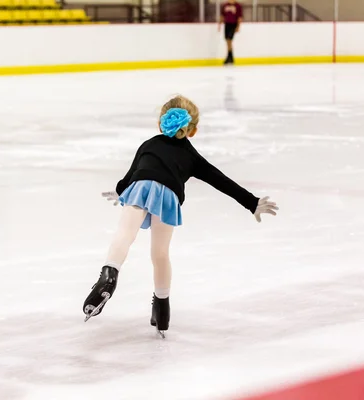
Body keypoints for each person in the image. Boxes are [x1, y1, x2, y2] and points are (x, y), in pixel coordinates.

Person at [82, 95, 278, 337]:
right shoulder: (192, 157)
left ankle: (109, 275)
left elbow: (132, 174)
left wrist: (122, 191)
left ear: (160, 123)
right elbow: (220, 180)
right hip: (169, 196)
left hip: (140, 186)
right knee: (160, 254)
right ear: (192, 131)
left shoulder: (149, 144)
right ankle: (162, 311)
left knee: (125, 235)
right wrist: (251, 202)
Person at [219, 0, 243, 65]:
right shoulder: (225, 5)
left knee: (229, 39)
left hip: (233, 24)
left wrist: (238, 26)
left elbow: (239, 17)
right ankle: (230, 56)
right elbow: (222, 15)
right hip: (227, 24)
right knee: (227, 40)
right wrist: (219, 24)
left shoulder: (237, 6)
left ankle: (230, 56)